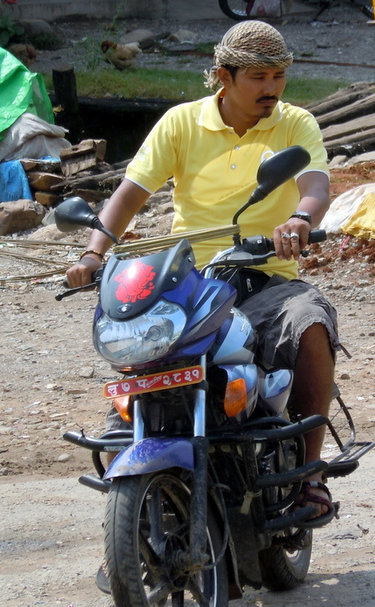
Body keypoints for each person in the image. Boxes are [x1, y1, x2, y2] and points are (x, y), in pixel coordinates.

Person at [66, 20, 338, 526]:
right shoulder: (180, 123)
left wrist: (300, 219)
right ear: (223, 76)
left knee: (310, 322)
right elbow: (129, 195)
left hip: (265, 276)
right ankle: (127, 508)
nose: (272, 88)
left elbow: (316, 185)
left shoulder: (295, 123)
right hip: (189, 278)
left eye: (279, 75)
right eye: (258, 76)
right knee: (142, 350)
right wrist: (92, 254)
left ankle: (308, 477)